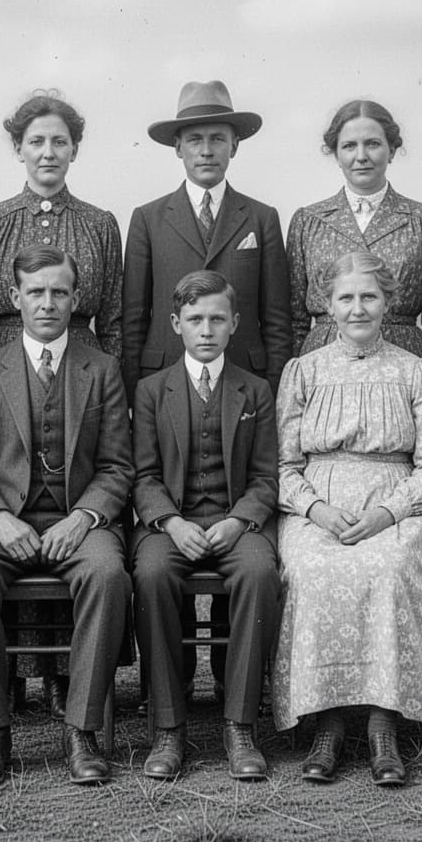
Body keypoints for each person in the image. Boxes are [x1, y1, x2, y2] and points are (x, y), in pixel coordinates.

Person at [0, 90, 123, 718]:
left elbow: (116, 320)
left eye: (59, 141)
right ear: (18, 148)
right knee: (4, 514)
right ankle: (3, 680)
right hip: (2, 368)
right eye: (36, 140)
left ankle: (65, 677)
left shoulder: (99, 222)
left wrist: (111, 384)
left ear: (74, 149)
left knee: (68, 509)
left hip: (80, 364)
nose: (47, 152)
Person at [285, 99, 422, 668]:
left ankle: (413, 663)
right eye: (349, 145)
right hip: (325, 367)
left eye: (373, 143)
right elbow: (293, 317)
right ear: (333, 152)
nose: (361, 155)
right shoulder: (308, 220)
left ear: (392, 149)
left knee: (407, 542)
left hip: (404, 369)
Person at [123, 79, 292, 699]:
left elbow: (276, 318)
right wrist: (137, 396)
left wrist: (272, 392)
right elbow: (133, 317)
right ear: (178, 148)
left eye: (218, 138)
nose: (206, 150)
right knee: (159, 564)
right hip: (167, 392)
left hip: (243, 391)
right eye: (194, 139)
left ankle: (230, 688)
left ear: (234, 146)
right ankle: (165, 702)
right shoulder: (149, 219)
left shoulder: (260, 218)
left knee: (244, 560)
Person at [273, 250, 422, 786]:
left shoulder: (415, 371)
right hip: (319, 507)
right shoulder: (304, 371)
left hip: (395, 506)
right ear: (328, 305)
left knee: (388, 569)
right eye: (346, 298)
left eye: (369, 297)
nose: (358, 308)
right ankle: (328, 724)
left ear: (388, 303)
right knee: (311, 570)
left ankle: (384, 725)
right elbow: (282, 466)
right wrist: (316, 509)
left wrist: (386, 513)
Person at [0, 245, 133, 786]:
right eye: (36, 292)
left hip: (78, 522)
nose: (47, 303)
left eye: (59, 292)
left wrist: (84, 518)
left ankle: (81, 730)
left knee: (108, 574)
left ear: (75, 299)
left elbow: (117, 467)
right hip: (3, 522)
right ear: (15, 298)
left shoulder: (102, 369)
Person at [131, 271, 281, 780]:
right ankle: (168, 726)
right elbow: (144, 476)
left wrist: (239, 521)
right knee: (152, 573)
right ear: (177, 324)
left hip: (235, 525)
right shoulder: (152, 391)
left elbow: (266, 477)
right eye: (195, 319)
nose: (207, 329)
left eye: (217, 319)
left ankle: (240, 724)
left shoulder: (255, 390)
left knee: (259, 573)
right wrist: (171, 523)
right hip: (172, 525)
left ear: (234, 323)